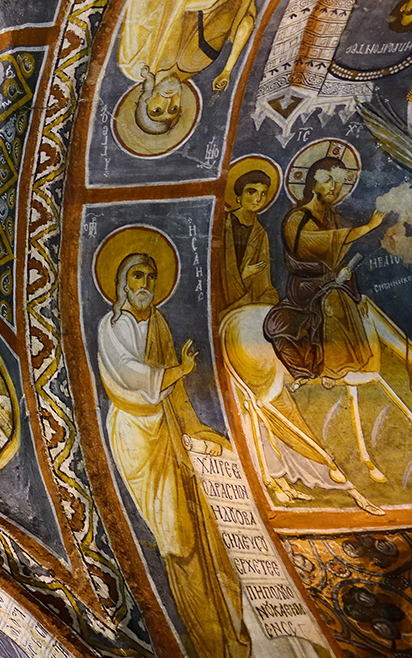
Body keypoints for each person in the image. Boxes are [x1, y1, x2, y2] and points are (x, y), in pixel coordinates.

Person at [96, 252, 250, 658]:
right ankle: (203, 639)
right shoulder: (111, 325)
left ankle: (227, 630)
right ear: (122, 283)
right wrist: (178, 371)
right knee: (175, 537)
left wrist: (194, 427)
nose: (145, 283)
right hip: (134, 436)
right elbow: (128, 371)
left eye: (151, 275)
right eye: (137, 275)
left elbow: (174, 392)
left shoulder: (159, 322)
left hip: (168, 427)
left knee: (200, 525)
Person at [262, 157, 381, 384]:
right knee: (329, 302)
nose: (334, 187)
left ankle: (349, 364)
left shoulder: (333, 217)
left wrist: (346, 277)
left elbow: (342, 252)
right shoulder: (296, 219)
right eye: (328, 180)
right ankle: (333, 369)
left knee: (341, 296)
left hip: (334, 281)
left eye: (339, 182)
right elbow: (316, 243)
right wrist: (367, 227)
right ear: (313, 183)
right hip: (305, 286)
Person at [114, 0, 256, 154]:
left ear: (144, 100)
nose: (169, 101)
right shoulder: (200, 62)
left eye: (157, 110)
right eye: (174, 109)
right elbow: (245, 22)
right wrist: (227, 70)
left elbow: (137, 15)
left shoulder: (135, 64)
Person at [220, 168, 278, 311]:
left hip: (246, 302)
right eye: (251, 192)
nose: (258, 199)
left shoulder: (261, 234)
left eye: (263, 193)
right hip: (222, 301)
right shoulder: (221, 224)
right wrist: (242, 274)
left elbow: (263, 281)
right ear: (239, 197)